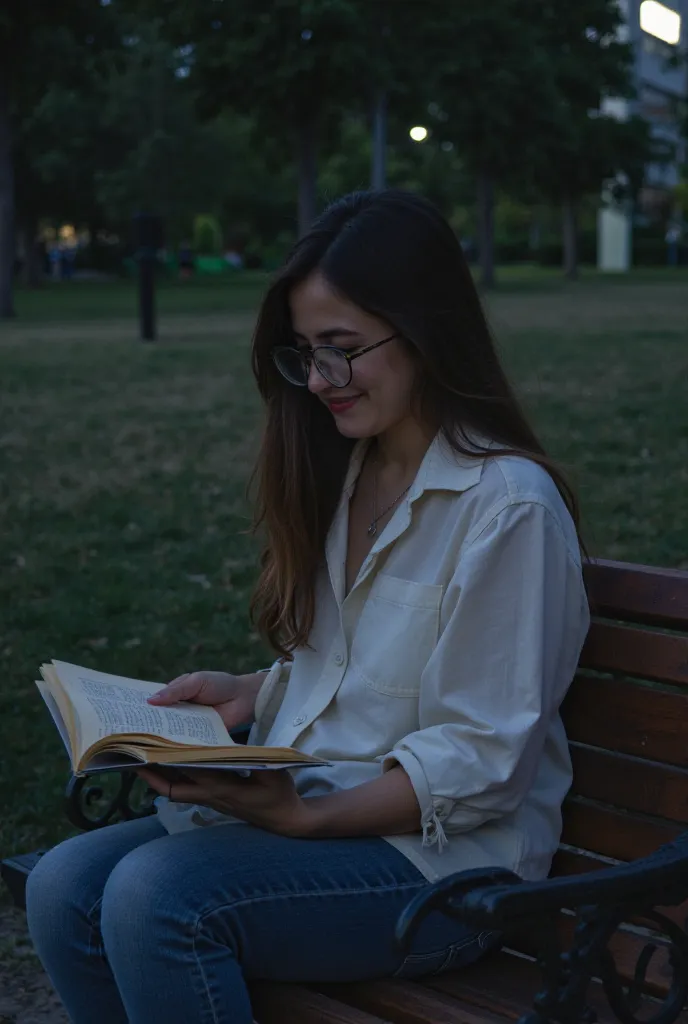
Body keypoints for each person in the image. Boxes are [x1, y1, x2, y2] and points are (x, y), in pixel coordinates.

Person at [26, 190, 590, 1024]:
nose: (321, 381)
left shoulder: (508, 508)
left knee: (158, 899)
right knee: (61, 886)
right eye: (305, 353)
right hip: (332, 806)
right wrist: (255, 690)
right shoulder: (351, 471)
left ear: (425, 329)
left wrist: (302, 817)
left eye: (342, 350)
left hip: (447, 871)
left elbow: (481, 760)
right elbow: (377, 658)